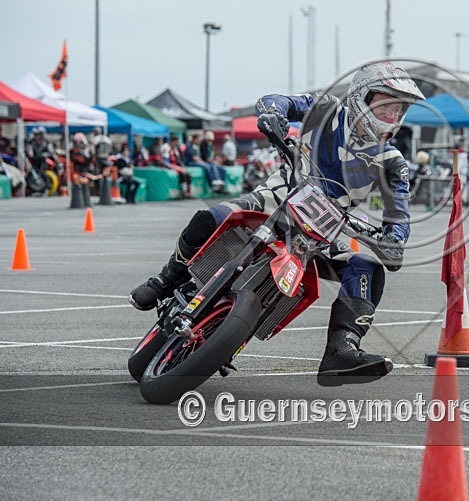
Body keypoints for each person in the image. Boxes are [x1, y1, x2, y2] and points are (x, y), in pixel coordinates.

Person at [130, 61, 425, 386]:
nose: (392, 118)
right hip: (276, 195)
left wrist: (395, 238)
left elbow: (399, 208)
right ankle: (166, 279)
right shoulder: (326, 108)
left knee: (367, 266)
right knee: (211, 217)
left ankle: (343, 349)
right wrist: (273, 115)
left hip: (326, 229)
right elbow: (280, 100)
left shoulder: (393, 160)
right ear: (362, 96)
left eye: (399, 111)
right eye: (386, 107)